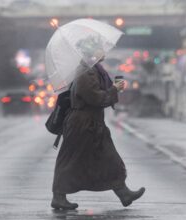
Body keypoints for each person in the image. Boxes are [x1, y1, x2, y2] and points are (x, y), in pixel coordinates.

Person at [51, 53, 146, 210]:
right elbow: (94, 97)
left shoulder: (94, 70)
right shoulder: (85, 72)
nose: (104, 52)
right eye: (99, 49)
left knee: (109, 157)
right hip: (82, 124)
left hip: (92, 123)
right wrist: (114, 90)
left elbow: (98, 94)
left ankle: (124, 193)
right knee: (71, 160)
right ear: (91, 54)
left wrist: (113, 89)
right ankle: (58, 196)